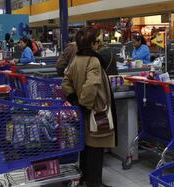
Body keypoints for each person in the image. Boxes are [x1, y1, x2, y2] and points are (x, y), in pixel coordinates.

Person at [62, 27, 116, 187]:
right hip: (95, 110)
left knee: (85, 146)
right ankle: (95, 182)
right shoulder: (93, 61)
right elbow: (92, 85)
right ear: (91, 44)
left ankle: (84, 177)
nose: (98, 45)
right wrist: (84, 105)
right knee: (96, 147)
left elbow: (65, 81)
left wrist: (73, 99)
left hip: (83, 110)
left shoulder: (76, 60)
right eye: (96, 42)